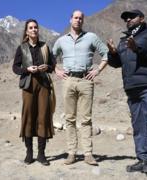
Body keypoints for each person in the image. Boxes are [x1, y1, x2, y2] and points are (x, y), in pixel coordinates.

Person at [107, 9, 147, 176]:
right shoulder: (124, 40)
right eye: (125, 18)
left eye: (131, 16)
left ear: (142, 18)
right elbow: (117, 63)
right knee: (139, 126)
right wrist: (113, 53)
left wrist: (138, 48)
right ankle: (144, 159)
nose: (128, 19)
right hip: (132, 88)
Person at [52, 10, 108, 166]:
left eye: (80, 18)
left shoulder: (91, 37)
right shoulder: (62, 40)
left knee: (86, 119)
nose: (78, 20)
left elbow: (106, 53)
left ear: (83, 21)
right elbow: (51, 57)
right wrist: (57, 70)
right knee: (69, 118)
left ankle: (88, 154)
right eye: (75, 18)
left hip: (86, 80)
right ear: (70, 20)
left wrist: (98, 70)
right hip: (68, 80)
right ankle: (71, 153)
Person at [12, 19, 55, 166]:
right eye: (31, 28)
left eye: (36, 27)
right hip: (28, 85)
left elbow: (53, 65)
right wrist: (26, 69)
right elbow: (15, 67)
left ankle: (41, 154)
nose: (34, 30)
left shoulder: (45, 47)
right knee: (28, 117)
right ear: (26, 31)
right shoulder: (21, 48)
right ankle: (29, 153)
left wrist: (46, 67)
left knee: (43, 116)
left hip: (43, 85)